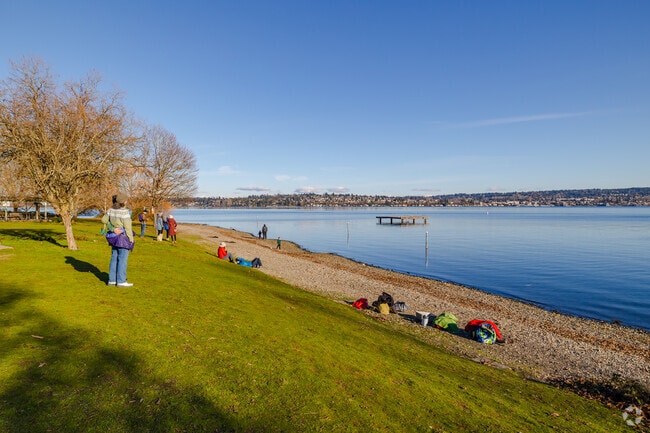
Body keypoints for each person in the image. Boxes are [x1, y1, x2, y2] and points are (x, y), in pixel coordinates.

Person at [101, 193, 134, 287]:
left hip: (113, 237)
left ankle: (111, 280)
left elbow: (103, 220)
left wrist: (112, 229)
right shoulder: (125, 212)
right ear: (123, 202)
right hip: (123, 237)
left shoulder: (110, 210)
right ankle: (121, 281)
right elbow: (128, 227)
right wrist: (131, 238)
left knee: (114, 258)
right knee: (123, 259)